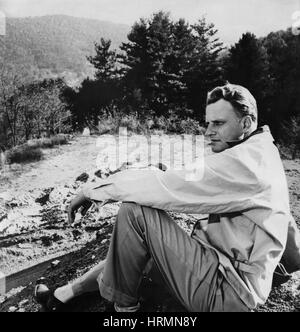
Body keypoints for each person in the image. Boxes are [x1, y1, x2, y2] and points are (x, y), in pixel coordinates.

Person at [34, 83, 296, 312]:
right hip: (219, 269)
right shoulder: (262, 151)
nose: (207, 132)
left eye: (218, 123)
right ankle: (67, 293)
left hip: (226, 290)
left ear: (246, 123)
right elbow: (284, 222)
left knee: (135, 213)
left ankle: (124, 310)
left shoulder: (246, 165)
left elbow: (165, 186)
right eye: (207, 123)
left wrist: (91, 191)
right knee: (137, 245)